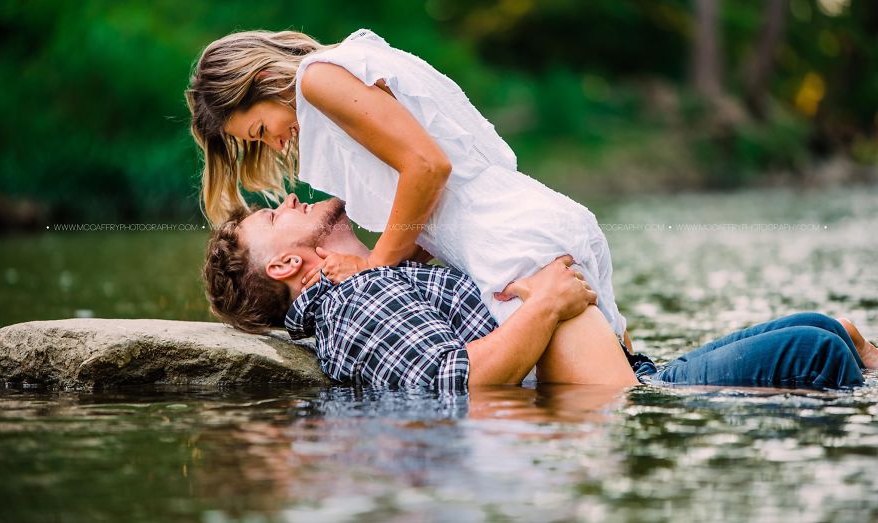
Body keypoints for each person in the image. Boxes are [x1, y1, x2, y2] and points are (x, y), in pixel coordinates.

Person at [186, 28, 634, 357]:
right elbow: (433, 201)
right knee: (629, 374)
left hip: (509, 248)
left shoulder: (316, 80)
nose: (276, 144)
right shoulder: (345, 63)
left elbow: (426, 166)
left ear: (263, 78)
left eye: (262, 129)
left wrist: (372, 266)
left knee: (600, 403)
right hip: (527, 223)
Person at [201, 194, 874, 392]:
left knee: (823, 329)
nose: (286, 197)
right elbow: (452, 379)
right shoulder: (356, 305)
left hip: (633, 370)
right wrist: (548, 302)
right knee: (812, 355)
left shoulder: (377, 276)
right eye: (272, 214)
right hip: (623, 396)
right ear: (289, 262)